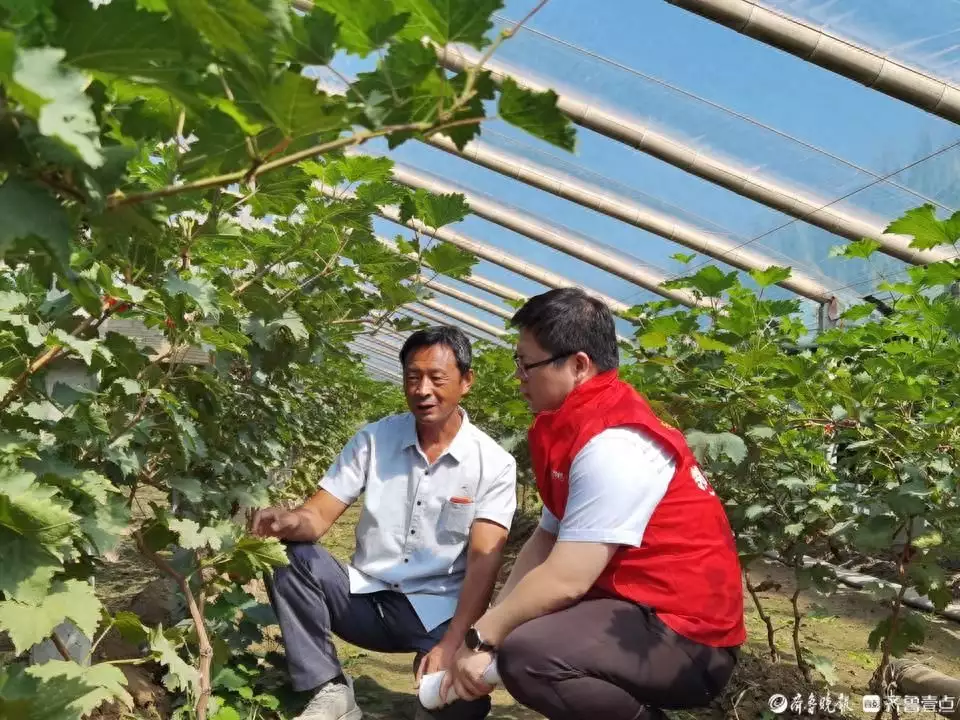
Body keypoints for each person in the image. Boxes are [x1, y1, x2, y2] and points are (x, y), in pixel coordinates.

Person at [442, 288, 746, 720]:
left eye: (527, 364)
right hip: (634, 610)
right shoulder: (574, 425)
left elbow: (567, 579)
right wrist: (490, 627)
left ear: (578, 365)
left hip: (689, 639)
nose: (519, 376)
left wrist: (481, 639)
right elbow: (546, 540)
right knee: (519, 627)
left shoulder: (614, 442)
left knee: (531, 655)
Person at [252, 326, 517, 720]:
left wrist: (452, 641)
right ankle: (329, 688)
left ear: (466, 381)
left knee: (457, 706)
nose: (422, 389)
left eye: (436, 378)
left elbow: (483, 564)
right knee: (289, 557)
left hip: (438, 611)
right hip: (362, 597)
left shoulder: (493, 463)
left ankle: (434, 686)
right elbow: (318, 516)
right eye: (413, 377)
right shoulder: (374, 440)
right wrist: (289, 521)